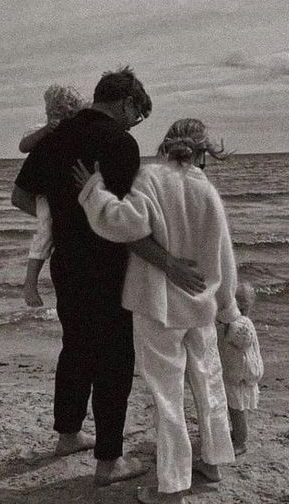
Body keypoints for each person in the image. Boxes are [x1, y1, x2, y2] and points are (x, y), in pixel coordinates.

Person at [11, 68, 205, 488]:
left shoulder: (55, 137)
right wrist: (168, 260)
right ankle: (108, 461)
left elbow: (20, 196)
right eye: (138, 113)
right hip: (109, 263)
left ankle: (67, 435)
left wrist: (64, 220)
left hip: (67, 263)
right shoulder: (120, 143)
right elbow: (123, 222)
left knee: (76, 346)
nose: (136, 123)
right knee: (114, 358)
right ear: (125, 102)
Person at [72, 118, 242, 504]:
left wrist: (93, 190)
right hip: (201, 305)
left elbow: (121, 224)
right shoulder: (207, 191)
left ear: (166, 144)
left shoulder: (150, 178)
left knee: (167, 397)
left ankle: (173, 487)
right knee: (208, 383)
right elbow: (224, 258)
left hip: (159, 305)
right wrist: (228, 309)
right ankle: (213, 461)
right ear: (203, 152)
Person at [18, 84, 85, 308]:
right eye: (52, 114)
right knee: (46, 228)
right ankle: (30, 284)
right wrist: (45, 130)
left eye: (62, 114)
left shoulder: (75, 131)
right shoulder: (41, 130)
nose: (56, 119)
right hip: (45, 193)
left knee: (50, 226)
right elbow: (23, 146)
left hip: (56, 193)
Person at [217, 281, 264, 455]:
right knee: (234, 407)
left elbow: (243, 339)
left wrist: (228, 325)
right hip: (236, 372)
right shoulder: (236, 322)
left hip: (240, 375)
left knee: (236, 409)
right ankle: (237, 434)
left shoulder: (241, 324)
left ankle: (241, 441)